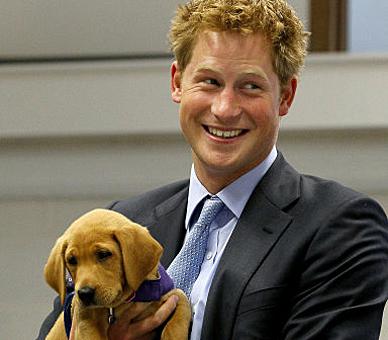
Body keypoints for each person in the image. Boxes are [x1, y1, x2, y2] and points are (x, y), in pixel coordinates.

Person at [37, 0, 388, 339]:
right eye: (210, 81)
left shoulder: (341, 226)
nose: (224, 108)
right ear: (177, 82)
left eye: (250, 86)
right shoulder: (122, 221)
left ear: (285, 96)